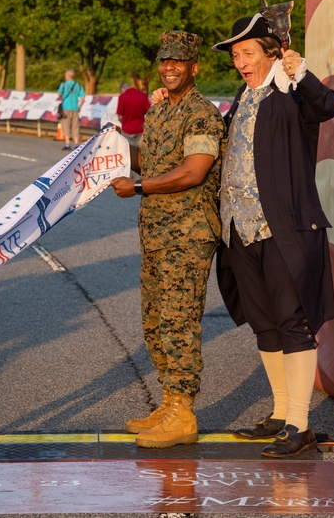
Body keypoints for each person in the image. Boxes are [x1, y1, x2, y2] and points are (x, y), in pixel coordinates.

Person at [212, 13, 334, 458]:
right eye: (235, 55)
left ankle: (301, 424)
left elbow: (329, 106)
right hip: (239, 229)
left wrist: (300, 73)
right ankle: (281, 412)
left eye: (247, 53)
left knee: (292, 324)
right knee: (264, 324)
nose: (240, 62)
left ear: (272, 53)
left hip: (282, 228)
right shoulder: (242, 96)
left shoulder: (293, 93)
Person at [110, 31, 225, 449]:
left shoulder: (202, 115)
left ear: (194, 67)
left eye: (178, 61)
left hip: (189, 234)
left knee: (179, 323)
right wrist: (112, 151)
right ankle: (169, 402)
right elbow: (149, 161)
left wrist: (138, 189)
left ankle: (184, 413)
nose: (169, 67)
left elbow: (193, 171)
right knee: (155, 321)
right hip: (157, 233)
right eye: (164, 61)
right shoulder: (160, 113)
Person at [117, 79, 151, 145]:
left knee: (129, 153)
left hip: (127, 131)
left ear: (122, 89)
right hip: (141, 130)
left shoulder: (122, 97)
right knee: (140, 153)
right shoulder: (143, 96)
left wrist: (125, 122)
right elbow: (150, 113)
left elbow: (120, 116)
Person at [57, 69, 85, 149]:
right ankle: (76, 144)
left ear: (68, 76)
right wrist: (79, 107)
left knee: (66, 125)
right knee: (75, 126)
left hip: (66, 107)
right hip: (75, 108)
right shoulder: (78, 85)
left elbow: (59, 94)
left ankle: (67, 144)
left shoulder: (64, 84)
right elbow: (83, 99)